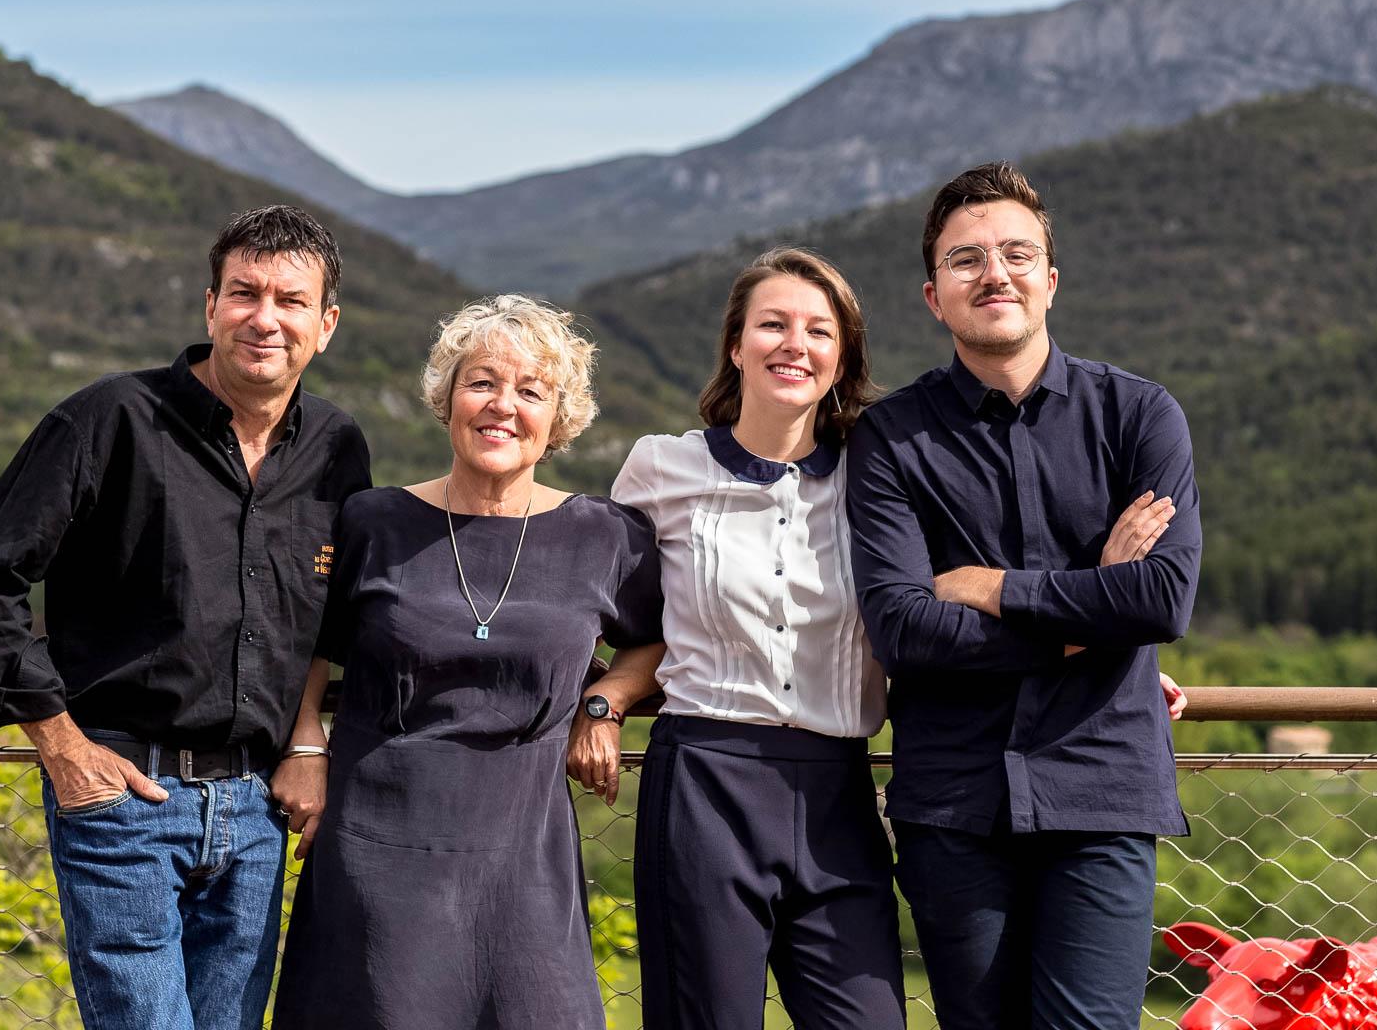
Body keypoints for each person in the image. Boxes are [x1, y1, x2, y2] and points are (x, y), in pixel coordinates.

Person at [590, 247, 1190, 1030]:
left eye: (818, 330)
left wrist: (1114, 645)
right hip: (705, 777)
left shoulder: (877, 475)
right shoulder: (657, 469)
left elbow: (942, 621)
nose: (793, 344)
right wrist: (605, 696)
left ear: (843, 358)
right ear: (735, 345)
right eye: (771, 325)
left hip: (839, 786)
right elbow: (631, 620)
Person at [0, 205, 372, 1030]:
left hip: (257, 810)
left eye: (290, 300)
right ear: (210, 306)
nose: (265, 318)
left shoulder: (337, 448)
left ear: (327, 324)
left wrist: (308, 743)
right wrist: (63, 749)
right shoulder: (110, 419)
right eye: (244, 293)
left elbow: (329, 617)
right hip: (126, 796)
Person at [846, 161, 1201, 1030]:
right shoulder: (891, 439)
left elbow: (1159, 600)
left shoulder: (1139, 416)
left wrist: (994, 589)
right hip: (954, 802)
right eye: (966, 260)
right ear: (935, 296)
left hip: (1101, 789)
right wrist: (1089, 614)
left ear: (1049, 280)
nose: (992, 273)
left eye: (1014, 253)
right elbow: (905, 630)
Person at [272, 295, 665, 1030]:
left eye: (530, 391)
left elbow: (660, 639)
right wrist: (303, 744)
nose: (502, 406)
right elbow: (306, 644)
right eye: (481, 382)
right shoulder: (372, 520)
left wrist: (606, 700)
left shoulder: (604, 534)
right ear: (447, 397)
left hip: (523, 855)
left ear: (559, 419)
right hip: (373, 845)